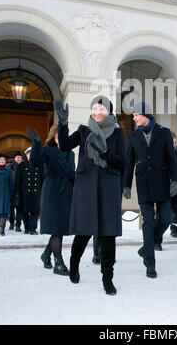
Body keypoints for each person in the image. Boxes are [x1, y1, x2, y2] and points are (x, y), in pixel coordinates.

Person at [55, 95, 127, 295]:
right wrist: (62, 123)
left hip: (109, 186)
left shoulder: (118, 134)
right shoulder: (84, 130)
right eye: (95, 108)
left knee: (108, 235)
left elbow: (123, 161)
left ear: (109, 112)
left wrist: (106, 154)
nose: (97, 112)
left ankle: (107, 279)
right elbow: (64, 146)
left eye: (102, 109)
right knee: (84, 231)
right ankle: (74, 264)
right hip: (86, 185)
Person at [122, 101, 177, 279]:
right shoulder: (133, 136)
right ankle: (150, 263)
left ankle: (146, 247)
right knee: (148, 223)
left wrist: (175, 180)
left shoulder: (164, 133)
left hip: (162, 182)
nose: (134, 118)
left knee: (166, 219)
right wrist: (126, 184)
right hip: (143, 183)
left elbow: (171, 158)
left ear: (145, 115)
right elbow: (129, 162)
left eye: (136, 115)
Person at [27, 124, 75, 276]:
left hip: (66, 190)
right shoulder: (48, 150)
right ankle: (58, 262)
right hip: (53, 191)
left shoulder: (70, 153)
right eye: (58, 135)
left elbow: (72, 172)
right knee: (57, 228)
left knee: (60, 227)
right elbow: (34, 162)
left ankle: (46, 254)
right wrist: (36, 144)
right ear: (54, 136)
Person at [14, 146, 43, 235]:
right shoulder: (21, 165)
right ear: (26, 155)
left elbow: (42, 179)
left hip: (35, 192)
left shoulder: (40, 165)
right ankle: (27, 227)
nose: (31, 155)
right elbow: (17, 180)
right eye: (29, 154)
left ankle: (33, 228)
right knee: (25, 211)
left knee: (34, 211)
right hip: (24, 192)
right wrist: (17, 192)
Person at [0, 153, 14, 236]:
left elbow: (11, 184)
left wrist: (12, 195)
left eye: (3, 160)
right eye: (0, 160)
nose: (2, 161)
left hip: (6, 194)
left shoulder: (8, 172)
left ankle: (2, 229)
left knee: (5, 212)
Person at [6, 151, 23, 231]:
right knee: (11, 209)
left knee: (20, 209)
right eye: (17, 157)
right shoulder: (9, 167)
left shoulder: (24, 166)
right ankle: (12, 223)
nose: (19, 159)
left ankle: (18, 225)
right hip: (11, 190)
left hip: (21, 191)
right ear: (14, 158)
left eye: (20, 157)